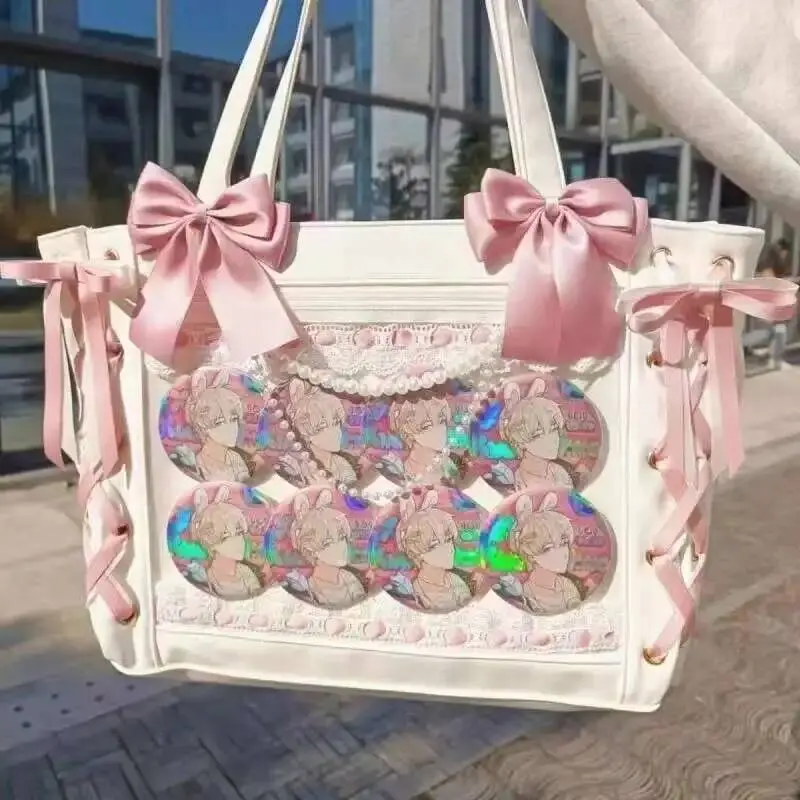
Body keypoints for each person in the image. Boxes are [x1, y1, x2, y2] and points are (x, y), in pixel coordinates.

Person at [742, 239, 795, 370]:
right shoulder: (770, 259)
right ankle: (773, 359)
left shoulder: (766, 261)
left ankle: (774, 359)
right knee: (775, 329)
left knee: (776, 329)